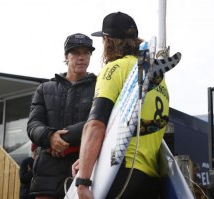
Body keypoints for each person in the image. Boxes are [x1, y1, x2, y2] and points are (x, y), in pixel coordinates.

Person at [72, 12, 170, 199]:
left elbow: (95, 125)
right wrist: (87, 159)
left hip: (121, 174)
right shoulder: (158, 79)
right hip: (151, 180)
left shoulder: (115, 68)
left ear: (108, 41)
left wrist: (83, 181)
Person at [27, 33, 96, 199]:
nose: (81, 57)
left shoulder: (100, 87)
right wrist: (50, 137)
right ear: (66, 57)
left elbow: (98, 123)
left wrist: (61, 140)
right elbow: (33, 124)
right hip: (46, 175)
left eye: (86, 53)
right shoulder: (44, 88)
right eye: (76, 53)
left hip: (84, 172)